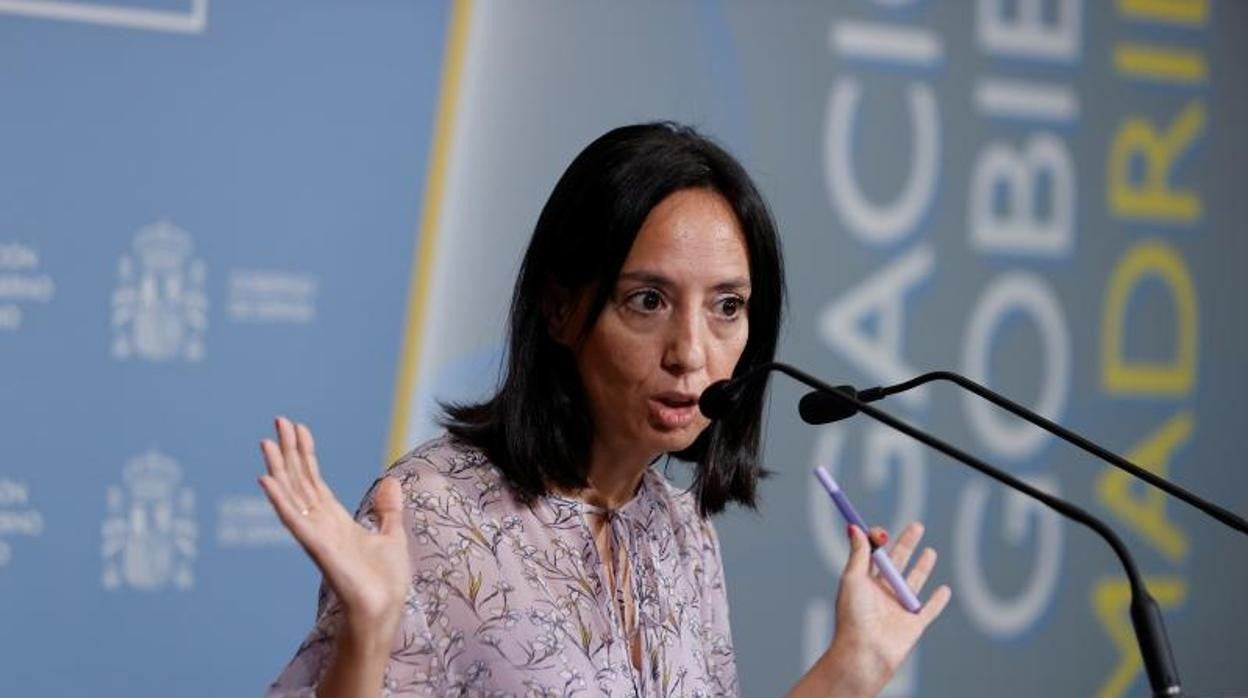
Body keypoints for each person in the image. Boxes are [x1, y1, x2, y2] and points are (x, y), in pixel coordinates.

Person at [259, 122, 951, 697]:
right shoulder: (432, 515)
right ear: (561, 307)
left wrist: (855, 663)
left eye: (727, 307)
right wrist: (370, 628)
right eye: (648, 301)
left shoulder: (681, 532)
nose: (691, 352)